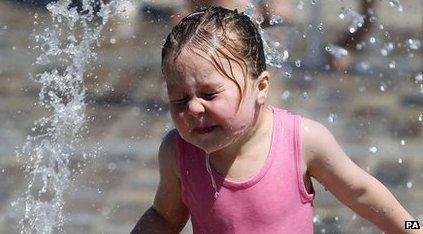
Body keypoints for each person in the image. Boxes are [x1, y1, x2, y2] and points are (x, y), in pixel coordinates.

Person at [131, 7, 418, 233]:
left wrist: (413, 228)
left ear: (262, 87)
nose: (193, 108)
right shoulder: (177, 151)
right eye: (179, 99)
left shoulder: (301, 140)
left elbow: (362, 193)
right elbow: (165, 217)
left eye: (209, 93)